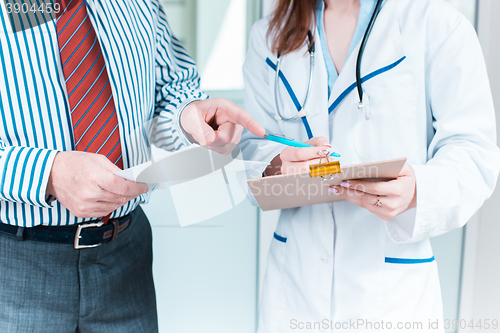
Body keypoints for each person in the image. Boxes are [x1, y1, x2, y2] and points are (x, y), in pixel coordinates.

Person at [0, 0, 264, 332]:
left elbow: (169, 90)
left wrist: (190, 116)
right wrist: (47, 173)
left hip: (126, 257)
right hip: (14, 265)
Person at [240, 0, 500, 331]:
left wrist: (417, 188)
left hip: (391, 296)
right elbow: (251, 147)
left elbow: (473, 151)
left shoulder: (437, 24)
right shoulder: (268, 34)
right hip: (295, 285)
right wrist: (274, 165)